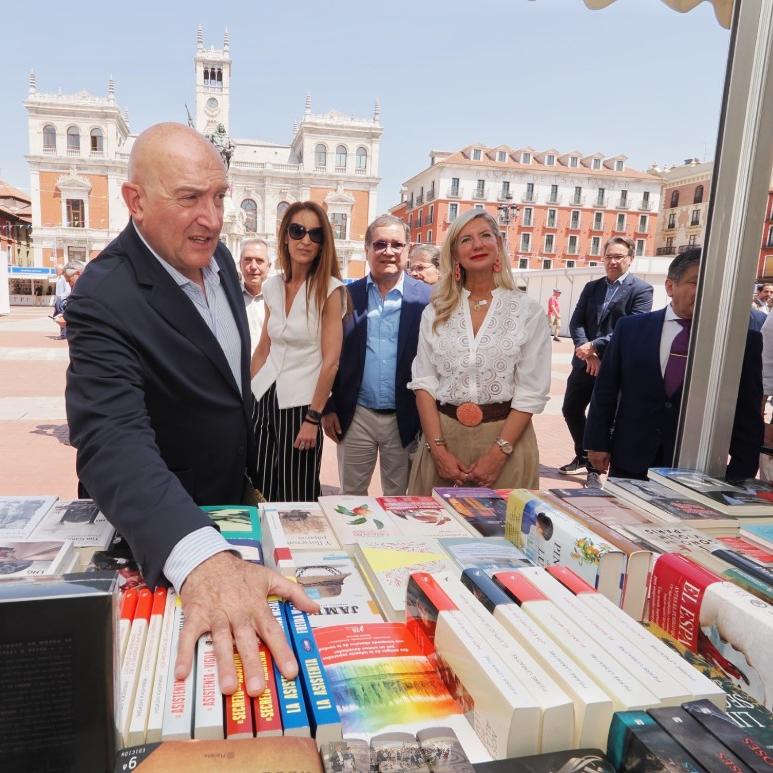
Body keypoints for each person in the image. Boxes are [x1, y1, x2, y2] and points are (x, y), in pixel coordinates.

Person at [65, 122, 317, 700]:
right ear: (136, 201)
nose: (211, 217)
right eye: (188, 199)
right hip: (165, 526)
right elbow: (111, 439)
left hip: (229, 494)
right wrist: (202, 560)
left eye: (219, 196)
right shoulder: (104, 295)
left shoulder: (219, 257)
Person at [585, 249, 762, 481]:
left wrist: (742, 471)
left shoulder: (741, 341)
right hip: (631, 459)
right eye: (696, 282)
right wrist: (597, 443)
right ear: (670, 286)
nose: (707, 290)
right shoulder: (630, 329)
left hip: (699, 468)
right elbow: (606, 389)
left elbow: (748, 410)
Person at [406, 208, 551, 493]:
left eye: (485, 235)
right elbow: (424, 383)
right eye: (466, 239)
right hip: (444, 439)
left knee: (503, 534)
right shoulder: (435, 311)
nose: (477, 245)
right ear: (455, 254)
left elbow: (531, 390)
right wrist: (438, 451)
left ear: (498, 245)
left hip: (506, 441)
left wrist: (498, 455)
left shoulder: (527, 311)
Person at [322, 215, 431, 495]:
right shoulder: (345, 295)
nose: (389, 251)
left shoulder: (428, 299)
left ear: (408, 250)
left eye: (397, 244)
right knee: (351, 498)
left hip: (405, 417)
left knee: (399, 500)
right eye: (380, 244)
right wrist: (329, 406)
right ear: (367, 250)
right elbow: (326, 353)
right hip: (356, 415)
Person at [250, 201, 346, 502]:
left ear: (323, 244)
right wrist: (247, 396)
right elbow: (264, 348)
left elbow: (331, 362)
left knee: (297, 493)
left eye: (315, 235)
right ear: (286, 236)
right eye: (298, 231)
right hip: (263, 396)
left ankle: (296, 549)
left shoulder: (331, 290)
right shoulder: (272, 287)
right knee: (259, 485)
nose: (306, 240)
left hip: (302, 405)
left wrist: (313, 418)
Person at [559, 236, 653, 484]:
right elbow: (576, 321)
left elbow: (631, 327)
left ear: (630, 259)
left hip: (614, 367)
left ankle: (594, 469)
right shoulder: (593, 287)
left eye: (618, 256)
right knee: (570, 409)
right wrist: (585, 350)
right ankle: (582, 454)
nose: (613, 261)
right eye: (609, 256)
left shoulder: (641, 290)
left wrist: (595, 347)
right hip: (584, 363)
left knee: (603, 418)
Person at [239, 238, 271, 351]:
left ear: (269, 266)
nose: (253, 266)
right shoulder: (229, 298)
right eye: (247, 260)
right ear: (240, 265)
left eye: (259, 260)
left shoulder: (279, 299)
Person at [52, 261, 84, 339]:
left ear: (77, 273)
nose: (69, 284)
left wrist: (68, 320)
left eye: (69, 280)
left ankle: (63, 334)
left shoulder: (88, 289)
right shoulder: (77, 288)